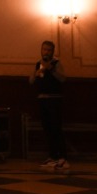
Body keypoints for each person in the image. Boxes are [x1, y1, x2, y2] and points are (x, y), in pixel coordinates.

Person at [32, 39, 68, 171]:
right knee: (47, 129)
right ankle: (52, 156)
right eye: (44, 49)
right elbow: (31, 81)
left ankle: (62, 158)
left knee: (56, 128)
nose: (46, 52)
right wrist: (35, 74)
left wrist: (51, 69)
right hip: (42, 99)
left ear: (52, 51)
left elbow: (63, 78)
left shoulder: (56, 63)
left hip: (54, 100)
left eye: (48, 50)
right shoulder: (38, 63)